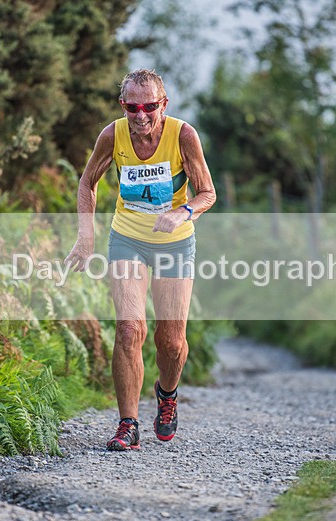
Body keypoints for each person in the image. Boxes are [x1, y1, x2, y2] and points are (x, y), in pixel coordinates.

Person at [65, 69, 216, 451]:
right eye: (133, 107)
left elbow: (207, 193)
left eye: (150, 106)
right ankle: (128, 424)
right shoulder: (112, 135)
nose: (141, 116)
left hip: (175, 243)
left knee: (172, 342)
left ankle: (167, 396)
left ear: (163, 105)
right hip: (128, 239)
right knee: (130, 330)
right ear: (123, 106)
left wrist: (182, 213)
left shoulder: (183, 135)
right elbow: (87, 182)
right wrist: (86, 236)